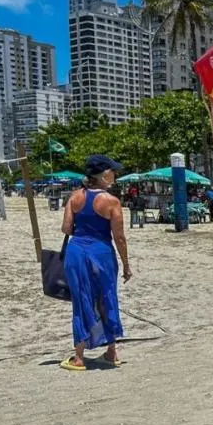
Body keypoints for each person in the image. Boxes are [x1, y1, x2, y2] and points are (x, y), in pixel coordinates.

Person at [59, 155, 132, 371]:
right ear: (104, 175)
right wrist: (126, 264)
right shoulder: (111, 201)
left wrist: (83, 232)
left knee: (81, 300)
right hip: (100, 251)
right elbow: (119, 237)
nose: (115, 175)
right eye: (113, 171)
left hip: (77, 251)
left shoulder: (74, 197)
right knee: (107, 297)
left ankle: (79, 357)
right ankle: (111, 352)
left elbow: (66, 228)